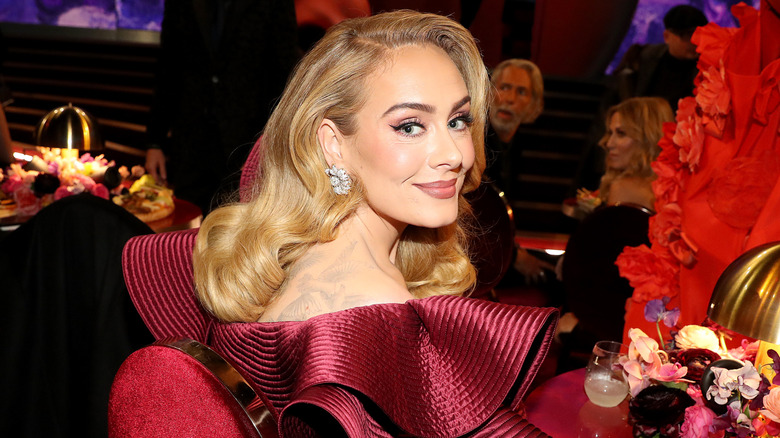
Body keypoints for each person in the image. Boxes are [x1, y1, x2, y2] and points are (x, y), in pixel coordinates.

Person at [125, 11, 558, 436]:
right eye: (410, 126)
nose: (454, 155)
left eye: (457, 120)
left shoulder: (297, 252)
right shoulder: (374, 312)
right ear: (333, 144)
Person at [144, 0, 300, 215]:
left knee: (238, 234)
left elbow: (283, 71)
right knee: (188, 236)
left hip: (246, 144)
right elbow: (168, 68)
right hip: (190, 144)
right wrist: (155, 141)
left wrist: (269, 145)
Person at [484, 58, 553, 283]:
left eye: (521, 92)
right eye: (504, 88)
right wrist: (513, 256)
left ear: (534, 104)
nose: (510, 99)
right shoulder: (474, 141)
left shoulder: (515, 144)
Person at [612, 4, 708, 112]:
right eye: (687, 36)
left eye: (700, 36)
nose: (695, 42)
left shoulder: (709, 68)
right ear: (667, 36)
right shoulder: (641, 58)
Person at [595, 96, 674, 211]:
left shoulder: (623, 188)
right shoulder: (677, 188)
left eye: (621, 133)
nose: (609, 143)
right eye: (610, 133)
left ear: (647, 139)